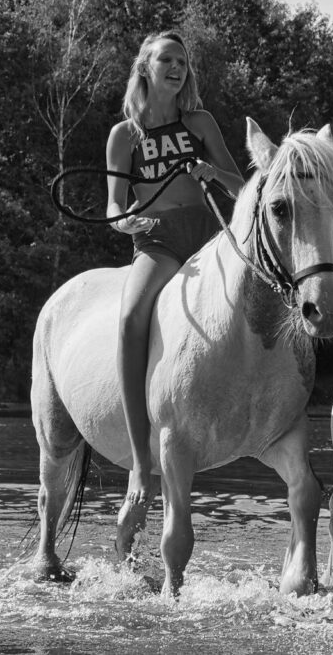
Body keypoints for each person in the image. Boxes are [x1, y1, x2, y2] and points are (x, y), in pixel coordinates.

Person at [107, 32, 244, 506]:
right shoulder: (124, 135)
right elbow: (113, 206)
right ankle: (139, 462)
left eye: (182, 61)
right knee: (131, 318)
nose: (176, 67)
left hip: (208, 238)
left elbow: (243, 187)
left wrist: (214, 173)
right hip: (158, 241)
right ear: (145, 67)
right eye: (166, 59)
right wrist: (123, 221)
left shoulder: (200, 122)